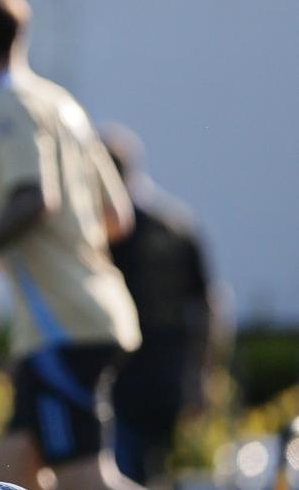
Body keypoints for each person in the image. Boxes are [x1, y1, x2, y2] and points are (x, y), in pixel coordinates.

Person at [0, 0, 143, 490]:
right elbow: (115, 216)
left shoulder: (7, 105)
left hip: (62, 325)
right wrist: (17, 240)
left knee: (83, 481)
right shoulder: (58, 102)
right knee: (14, 465)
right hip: (79, 313)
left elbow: (34, 198)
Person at [100, 123, 222, 489]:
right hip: (171, 372)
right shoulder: (179, 223)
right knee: (153, 471)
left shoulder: (109, 229)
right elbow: (209, 305)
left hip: (123, 373)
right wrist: (202, 373)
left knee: (123, 471)